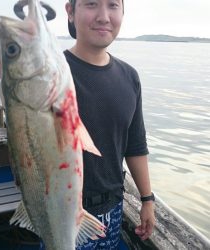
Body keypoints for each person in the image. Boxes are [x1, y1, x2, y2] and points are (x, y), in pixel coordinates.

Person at [64, 0, 155, 249]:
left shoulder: (129, 77)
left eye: (113, 5)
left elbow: (135, 145)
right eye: (91, 4)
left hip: (112, 208)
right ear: (70, 11)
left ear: (123, 13)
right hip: (62, 210)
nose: (104, 16)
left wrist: (147, 199)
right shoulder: (52, 73)